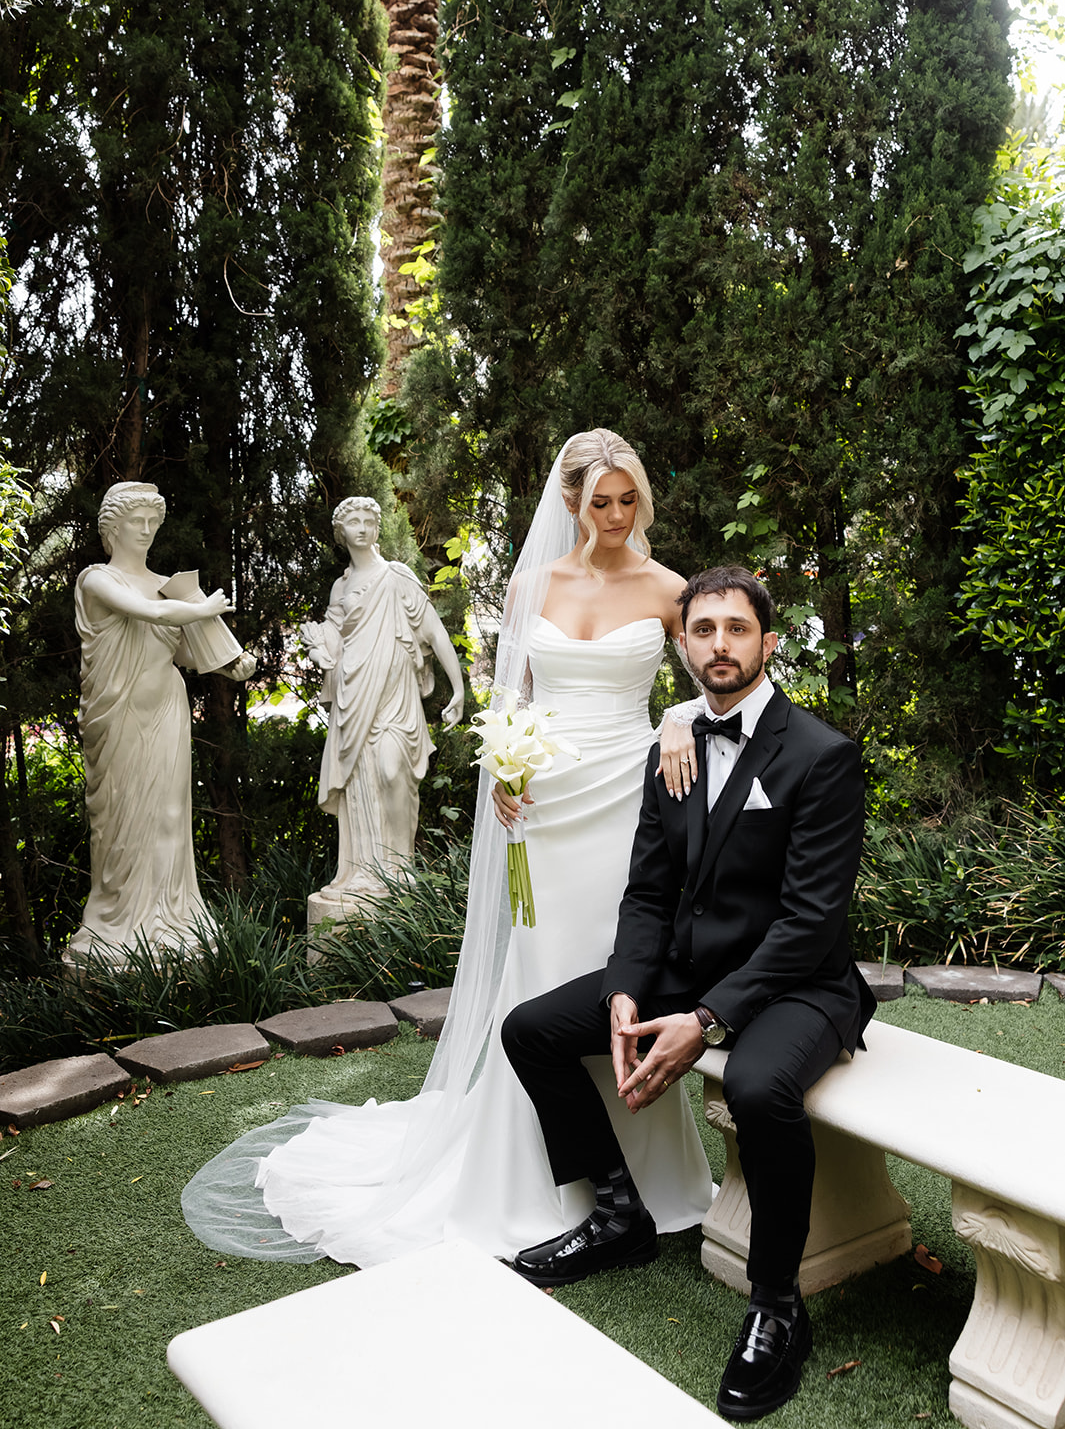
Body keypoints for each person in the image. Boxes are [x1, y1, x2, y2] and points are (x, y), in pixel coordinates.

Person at [180, 430, 713, 1265]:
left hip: (628, 804)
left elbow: (720, 683)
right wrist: (504, 766)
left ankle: (646, 1175)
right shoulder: (534, 583)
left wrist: (677, 719)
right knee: (543, 975)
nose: (614, 516)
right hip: (546, 805)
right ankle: (542, 1181)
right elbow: (517, 694)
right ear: (570, 503)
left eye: (627, 501)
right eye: (598, 502)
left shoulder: (670, 588)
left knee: (623, 972)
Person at [501, 564, 875, 1423]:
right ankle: (619, 1214)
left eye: (736, 629)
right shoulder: (667, 751)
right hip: (686, 966)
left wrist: (706, 1021)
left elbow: (810, 923)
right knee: (533, 1029)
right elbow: (645, 892)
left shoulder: (821, 756)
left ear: (768, 643)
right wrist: (629, 993)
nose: (719, 644)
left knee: (754, 1085)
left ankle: (776, 1303)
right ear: (681, 645)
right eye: (702, 630)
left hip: (800, 983)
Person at [66, 482, 256, 963]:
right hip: (121, 715)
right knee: (124, 819)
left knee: (170, 815)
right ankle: (119, 924)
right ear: (112, 527)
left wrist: (228, 662)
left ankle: (174, 916)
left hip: (167, 709)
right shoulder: (97, 580)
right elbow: (149, 612)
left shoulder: (166, 584)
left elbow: (184, 650)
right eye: (136, 521)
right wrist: (200, 609)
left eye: (154, 522)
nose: (147, 530)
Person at [302, 496, 464, 911]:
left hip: (394, 698)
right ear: (342, 532)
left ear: (376, 527)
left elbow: (434, 631)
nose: (361, 527)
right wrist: (321, 650)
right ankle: (363, 872)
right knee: (362, 783)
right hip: (353, 699)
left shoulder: (397, 577)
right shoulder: (341, 586)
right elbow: (335, 638)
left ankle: (398, 868)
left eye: (368, 520)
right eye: (352, 521)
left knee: (394, 771)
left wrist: (458, 685)